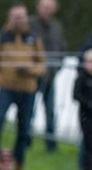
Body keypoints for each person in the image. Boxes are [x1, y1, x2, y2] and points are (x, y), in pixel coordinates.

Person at [0, 3, 44, 170]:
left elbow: (42, 64)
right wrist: (0, 80)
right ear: (10, 18)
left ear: (26, 18)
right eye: (15, 17)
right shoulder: (1, 36)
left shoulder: (34, 38)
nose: (19, 20)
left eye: (21, 17)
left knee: (23, 129)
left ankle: (19, 163)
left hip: (27, 89)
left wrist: (31, 71)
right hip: (7, 88)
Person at [29, 0, 63, 154]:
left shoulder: (57, 27)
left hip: (50, 76)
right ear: (38, 8)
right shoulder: (29, 24)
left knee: (50, 112)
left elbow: (62, 48)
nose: (47, 10)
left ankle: (51, 145)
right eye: (45, 7)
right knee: (29, 110)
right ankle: (26, 140)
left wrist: (56, 67)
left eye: (50, 8)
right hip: (32, 76)